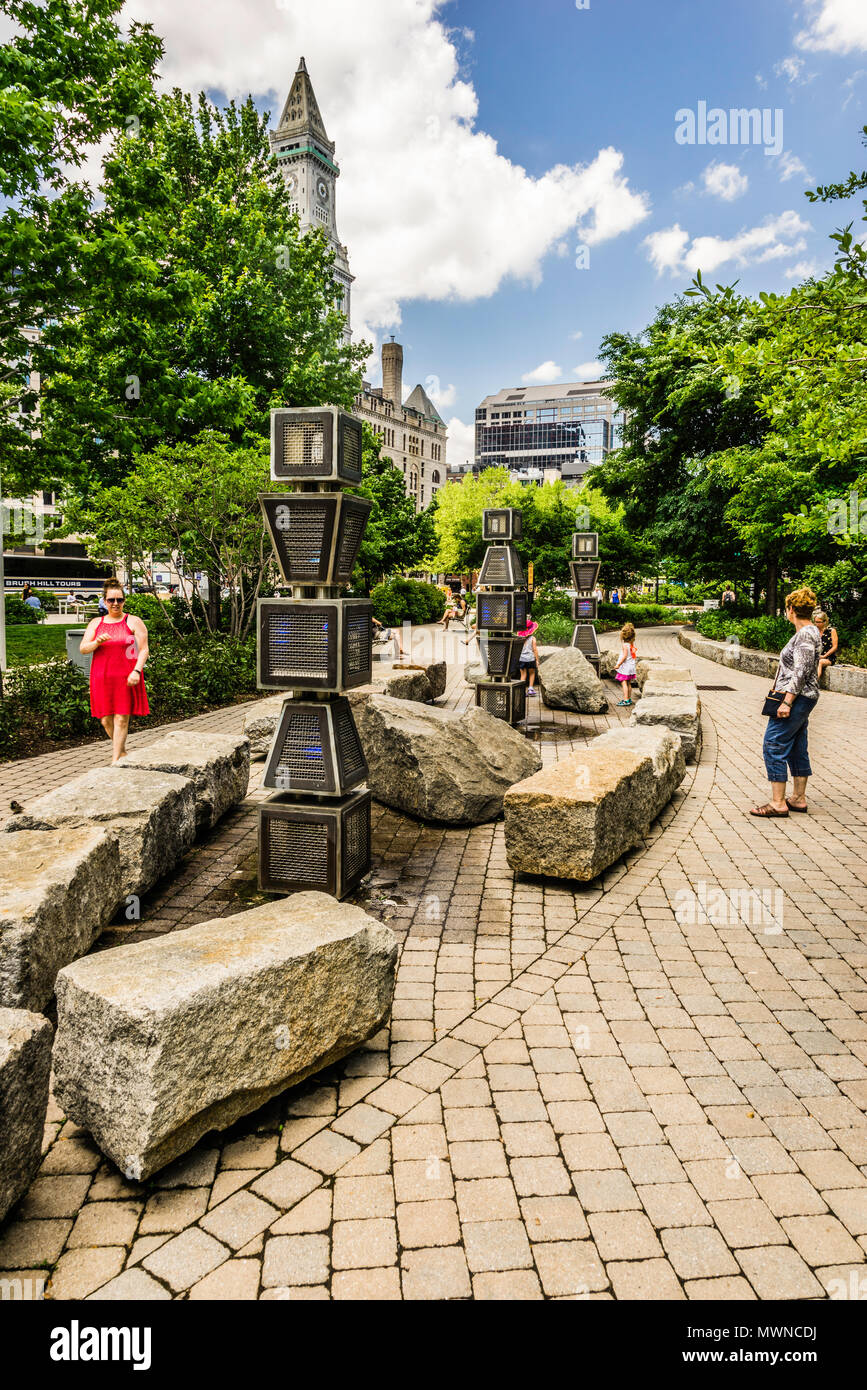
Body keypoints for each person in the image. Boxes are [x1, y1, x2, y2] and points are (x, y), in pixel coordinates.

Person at [750, 586, 820, 818]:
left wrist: (787, 702)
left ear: (790, 610)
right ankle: (798, 798)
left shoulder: (806, 634)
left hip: (796, 698)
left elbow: (801, 670)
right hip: (802, 697)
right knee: (797, 745)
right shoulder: (810, 632)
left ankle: (778, 802)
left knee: (774, 744)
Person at [80, 578, 150, 763]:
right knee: (105, 720)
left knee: (121, 719)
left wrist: (136, 671)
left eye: (119, 600)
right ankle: (123, 752)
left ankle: (115, 760)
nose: (116, 604)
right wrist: (96, 642)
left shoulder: (133, 621)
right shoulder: (96, 623)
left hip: (126, 675)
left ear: (124, 601)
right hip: (101, 676)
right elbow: (83, 648)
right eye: (111, 600)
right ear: (104, 601)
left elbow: (144, 649)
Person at [614, 622, 637, 706]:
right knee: (628, 683)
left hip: (626, 667)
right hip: (631, 667)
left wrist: (618, 665)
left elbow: (624, 657)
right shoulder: (631, 644)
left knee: (624, 683)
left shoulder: (625, 645)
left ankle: (625, 699)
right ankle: (629, 699)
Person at [517, 619, 540, 697]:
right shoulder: (533, 638)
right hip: (530, 659)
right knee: (532, 673)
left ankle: (521, 690)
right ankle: (530, 689)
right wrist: (537, 660)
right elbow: (535, 649)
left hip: (521, 659)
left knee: (523, 675)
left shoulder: (520, 638)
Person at [814, 610, 838, 679]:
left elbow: (835, 647)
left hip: (828, 657)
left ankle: (814, 682)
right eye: (815, 622)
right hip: (816, 656)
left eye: (818, 622)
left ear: (824, 622)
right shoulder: (814, 631)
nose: (816, 624)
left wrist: (824, 656)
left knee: (819, 662)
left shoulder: (831, 631)